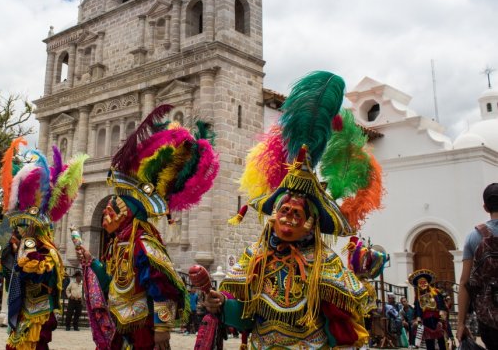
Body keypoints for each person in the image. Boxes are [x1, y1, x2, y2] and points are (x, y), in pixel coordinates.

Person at [205, 71, 376, 349]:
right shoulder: (255, 257)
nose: (287, 216)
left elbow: (341, 326)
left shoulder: (325, 264)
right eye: (284, 210)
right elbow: (246, 317)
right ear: (273, 216)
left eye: (296, 213)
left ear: (310, 222)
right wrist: (222, 303)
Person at [76, 105, 220, 350]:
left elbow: (161, 285)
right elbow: (112, 281)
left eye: (115, 207)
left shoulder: (143, 241)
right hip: (119, 323)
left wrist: (162, 328)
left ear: (129, 214)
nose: (108, 211)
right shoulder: (118, 243)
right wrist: (92, 261)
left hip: (142, 327)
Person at [0, 139, 87, 350]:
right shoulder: (21, 244)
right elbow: (9, 273)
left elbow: (43, 274)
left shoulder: (46, 250)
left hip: (36, 313)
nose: (20, 230)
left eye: (24, 225)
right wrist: (9, 255)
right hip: (22, 311)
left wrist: (27, 261)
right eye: (19, 226)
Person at [457, 182, 498, 349]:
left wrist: (460, 323)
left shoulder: (474, 237)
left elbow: (464, 283)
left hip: (488, 318)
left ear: (485, 207)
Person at [409, 269, 447, 350]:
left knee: (441, 340)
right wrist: (418, 318)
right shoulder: (418, 297)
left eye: (424, 282)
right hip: (426, 321)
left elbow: (441, 304)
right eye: (421, 283)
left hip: (437, 318)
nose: (423, 284)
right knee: (429, 341)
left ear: (428, 282)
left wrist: (442, 313)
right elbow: (418, 309)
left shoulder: (436, 292)